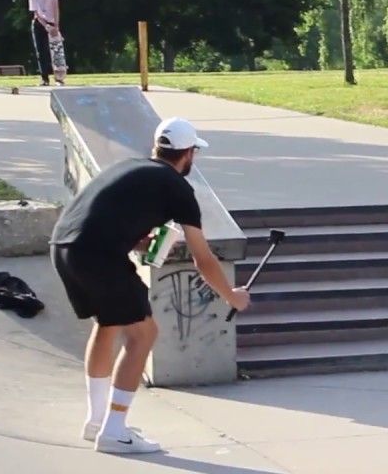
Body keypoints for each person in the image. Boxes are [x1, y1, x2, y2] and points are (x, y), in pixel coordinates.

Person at [49, 117, 251, 455]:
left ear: (157, 147)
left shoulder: (129, 167)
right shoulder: (178, 187)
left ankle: (97, 421)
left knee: (109, 325)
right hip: (99, 256)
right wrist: (232, 296)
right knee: (143, 334)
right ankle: (115, 430)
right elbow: (203, 257)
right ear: (188, 154)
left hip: (63, 247)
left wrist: (139, 242)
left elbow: (100, 216)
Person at [28, 0, 67, 85]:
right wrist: (45, 26)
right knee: (41, 51)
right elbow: (36, 13)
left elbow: (56, 7)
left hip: (52, 21)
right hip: (40, 23)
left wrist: (56, 25)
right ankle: (44, 78)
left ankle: (59, 77)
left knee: (56, 50)